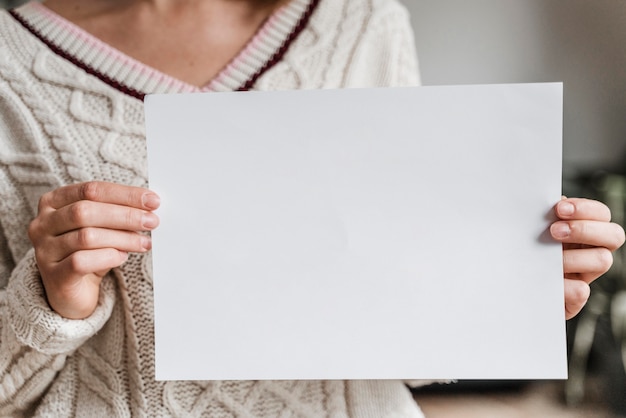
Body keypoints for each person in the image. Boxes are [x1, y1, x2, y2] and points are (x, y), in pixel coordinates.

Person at [0, 0, 624, 416]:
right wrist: (53, 302)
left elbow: (399, 328)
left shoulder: (362, 25)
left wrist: (497, 301)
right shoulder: (12, 57)